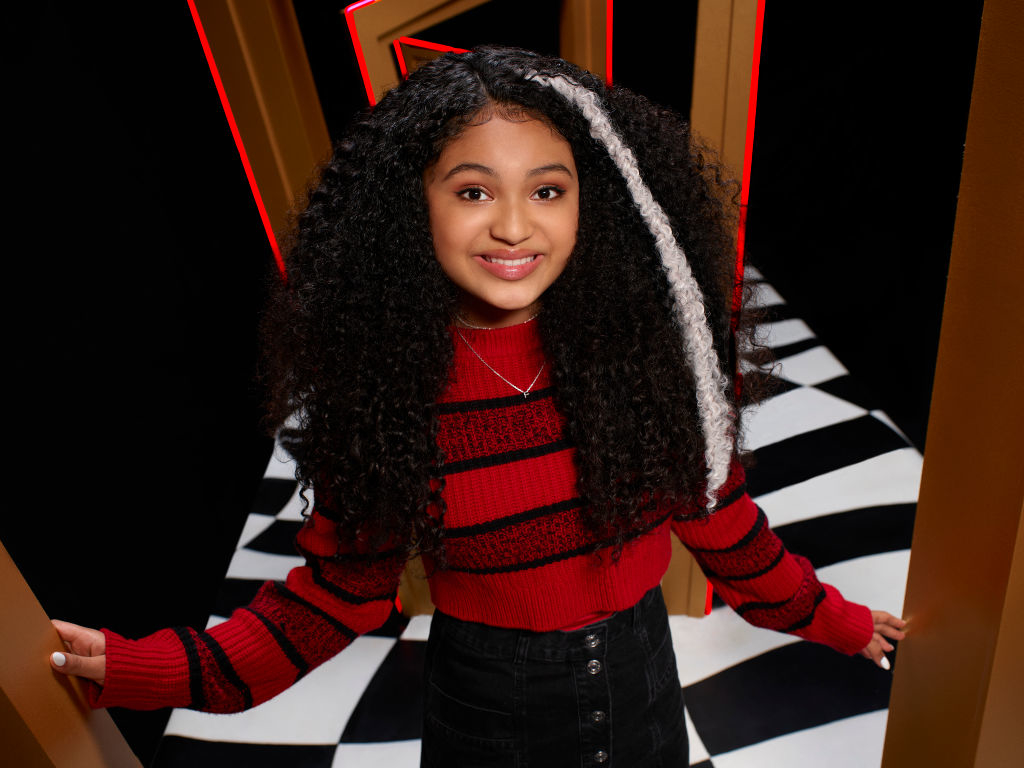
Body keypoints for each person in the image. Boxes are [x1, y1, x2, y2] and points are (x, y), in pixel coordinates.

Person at [49, 47, 905, 766]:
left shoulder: (645, 360)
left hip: (643, 683)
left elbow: (729, 534)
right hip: (491, 709)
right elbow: (330, 601)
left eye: (547, 190)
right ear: (408, 206)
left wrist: (840, 622)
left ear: (590, 201)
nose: (513, 227)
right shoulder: (387, 395)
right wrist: (151, 670)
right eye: (471, 191)